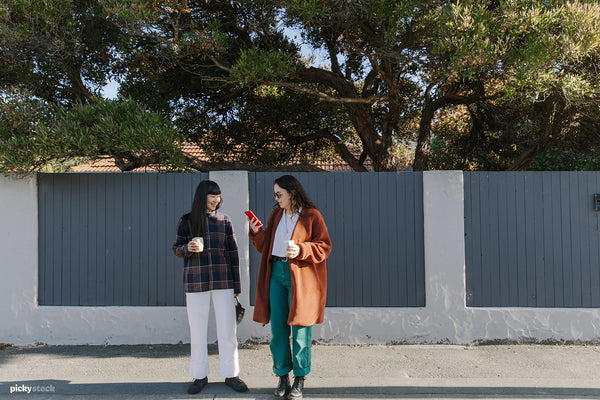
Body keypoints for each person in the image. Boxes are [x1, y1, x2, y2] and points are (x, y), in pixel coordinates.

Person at [247, 175, 332, 400]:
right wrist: (257, 232)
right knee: (278, 330)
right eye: (275, 194)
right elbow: (265, 247)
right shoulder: (276, 215)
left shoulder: (312, 216)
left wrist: (302, 250)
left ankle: (300, 379)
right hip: (276, 273)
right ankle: (282, 375)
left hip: (301, 276)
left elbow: (324, 246)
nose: (276, 198)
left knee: (301, 330)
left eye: (279, 194)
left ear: (292, 193)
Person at [172, 180, 248, 394]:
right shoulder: (186, 221)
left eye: (218, 196)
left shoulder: (225, 221)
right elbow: (176, 248)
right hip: (196, 281)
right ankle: (199, 375)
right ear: (201, 197)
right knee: (197, 331)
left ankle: (231, 374)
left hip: (223, 281)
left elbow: (233, 254)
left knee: (227, 330)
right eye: (211, 196)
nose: (215, 200)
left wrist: (236, 286)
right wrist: (188, 247)